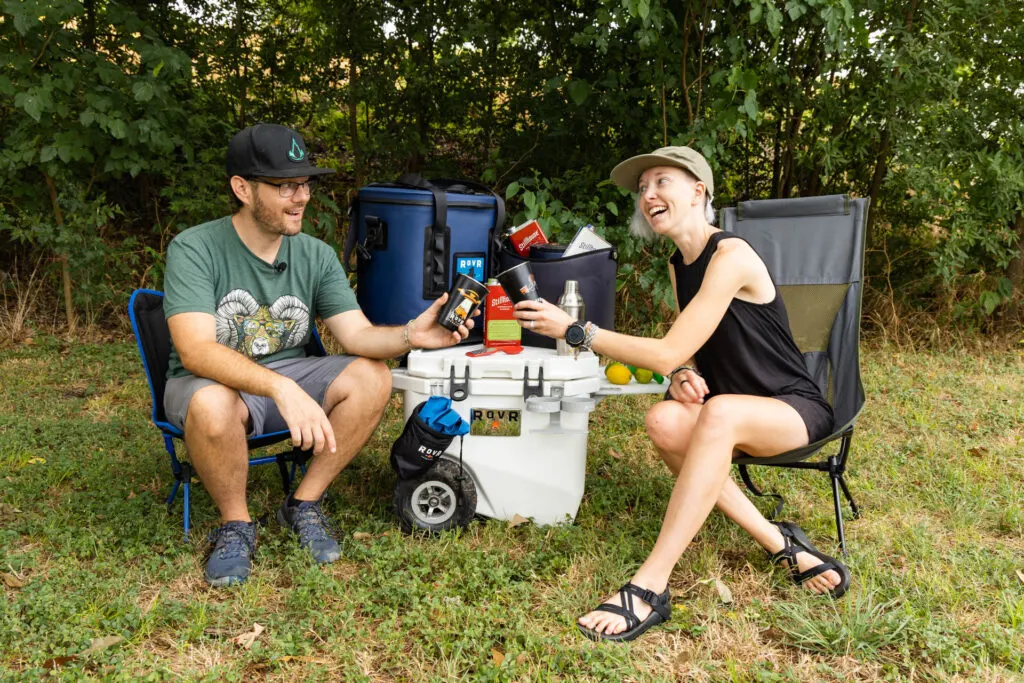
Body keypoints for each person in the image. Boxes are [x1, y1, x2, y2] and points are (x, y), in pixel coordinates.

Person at [514, 146, 850, 642]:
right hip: (729, 409)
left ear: (698, 192)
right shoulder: (680, 264)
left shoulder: (731, 255)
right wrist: (683, 375)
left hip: (792, 408)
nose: (648, 194)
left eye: (660, 182)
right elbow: (686, 350)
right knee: (664, 420)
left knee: (718, 414)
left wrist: (577, 331)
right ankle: (781, 542)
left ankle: (650, 585)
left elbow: (668, 349)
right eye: (642, 188)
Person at [162, 123, 473, 587]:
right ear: (243, 189)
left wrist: (413, 335)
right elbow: (197, 351)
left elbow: (359, 337)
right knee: (212, 404)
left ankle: (302, 505)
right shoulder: (196, 247)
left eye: (305, 183)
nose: (302, 196)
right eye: (285, 185)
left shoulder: (315, 254)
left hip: (286, 375)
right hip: (212, 382)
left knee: (373, 376)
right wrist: (279, 386)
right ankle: (236, 526)